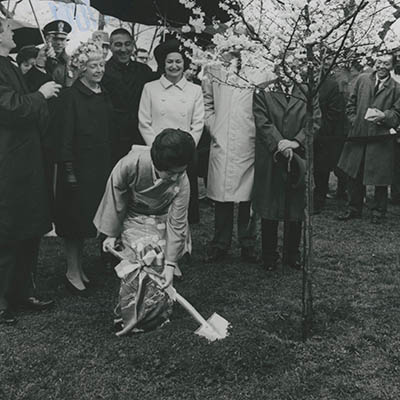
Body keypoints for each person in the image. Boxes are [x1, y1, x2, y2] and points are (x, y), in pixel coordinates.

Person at [0, 18, 60, 324]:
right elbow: (9, 108)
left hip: (24, 160)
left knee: (28, 226)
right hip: (9, 163)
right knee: (8, 229)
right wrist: (41, 94)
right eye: (8, 30)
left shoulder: (8, 65)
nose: (13, 33)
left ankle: (22, 292)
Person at [94, 128, 195, 295]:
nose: (176, 178)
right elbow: (115, 197)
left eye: (181, 172)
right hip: (133, 214)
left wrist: (170, 265)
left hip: (163, 216)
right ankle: (132, 306)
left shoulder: (183, 182)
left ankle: (157, 308)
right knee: (139, 255)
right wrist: (112, 234)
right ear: (157, 164)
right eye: (170, 173)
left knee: (161, 259)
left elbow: (177, 222)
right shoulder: (130, 164)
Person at [53, 41, 112, 294]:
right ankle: (72, 271)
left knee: (87, 221)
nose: (98, 70)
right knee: (73, 222)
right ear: (81, 68)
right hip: (77, 168)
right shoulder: (71, 96)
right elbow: (64, 137)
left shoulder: (104, 93)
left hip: (100, 167)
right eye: (92, 66)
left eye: (101, 64)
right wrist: (68, 170)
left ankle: (80, 270)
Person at [252, 70, 320, 271]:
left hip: (299, 155)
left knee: (295, 206)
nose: (288, 70)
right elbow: (262, 121)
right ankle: (269, 255)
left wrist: (296, 142)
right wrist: (280, 143)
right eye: (283, 65)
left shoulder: (308, 92)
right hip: (271, 155)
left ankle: (292, 254)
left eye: (293, 65)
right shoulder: (263, 91)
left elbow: (314, 119)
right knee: (270, 206)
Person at [138, 40, 204, 224]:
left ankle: (183, 247)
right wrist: (158, 151)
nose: (174, 66)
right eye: (169, 62)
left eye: (178, 61)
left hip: (185, 157)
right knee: (158, 206)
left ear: (184, 63)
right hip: (157, 157)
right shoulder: (150, 88)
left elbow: (198, 123)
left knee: (183, 207)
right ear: (162, 64)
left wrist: (185, 151)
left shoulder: (195, 90)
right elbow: (144, 122)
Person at [202, 49, 258, 262]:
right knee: (222, 195)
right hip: (223, 138)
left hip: (249, 139)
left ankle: (248, 242)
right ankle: (220, 242)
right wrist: (214, 125)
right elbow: (206, 100)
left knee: (248, 197)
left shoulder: (257, 70)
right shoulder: (213, 69)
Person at [337, 53, 400, 224]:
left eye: (386, 64)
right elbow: (351, 103)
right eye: (379, 62)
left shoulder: (397, 88)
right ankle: (353, 208)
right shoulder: (362, 80)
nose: (381, 66)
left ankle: (379, 211)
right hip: (358, 135)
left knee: (380, 176)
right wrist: (354, 121)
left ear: (392, 66)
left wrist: (384, 116)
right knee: (354, 173)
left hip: (381, 138)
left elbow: (397, 113)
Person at [101, 28, 155, 166]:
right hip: (111, 138)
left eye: (127, 44)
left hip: (139, 136)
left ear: (133, 45)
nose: (124, 49)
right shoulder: (102, 71)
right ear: (111, 47)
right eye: (118, 44)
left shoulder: (144, 71)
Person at [313, 55, 346, 214]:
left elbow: (335, 113)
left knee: (321, 169)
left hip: (322, 134)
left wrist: (319, 129)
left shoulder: (331, 85)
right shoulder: (300, 84)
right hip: (300, 132)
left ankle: (318, 200)